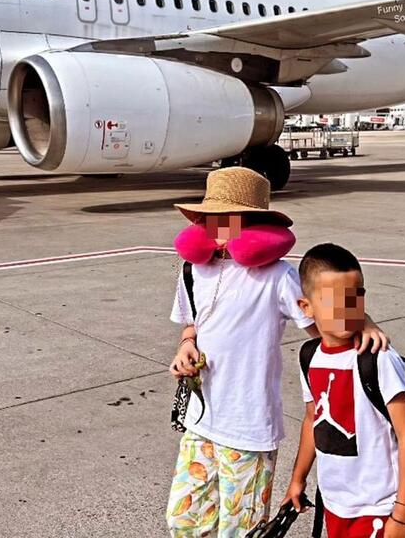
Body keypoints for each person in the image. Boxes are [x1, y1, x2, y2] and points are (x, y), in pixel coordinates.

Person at [166, 168, 389, 537]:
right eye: (211, 217)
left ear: (251, 223)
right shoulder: (193, 270)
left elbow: (323, 318)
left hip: (248, 429)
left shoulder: (276, 276)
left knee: (241, 530)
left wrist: (364, 321)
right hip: (201, 421)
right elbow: (192, 325)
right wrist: (186, 345)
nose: (217, 226)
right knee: (185, 520)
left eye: (228, 218)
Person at [284, 243, 405, 538]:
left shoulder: (379, 358)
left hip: (376, 505)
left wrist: (402, 515)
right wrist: (298, 479)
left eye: (355, 298)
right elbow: (312, 419)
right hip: (335, 501)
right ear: (306, 307)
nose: (346, 310)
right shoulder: (309, 356)